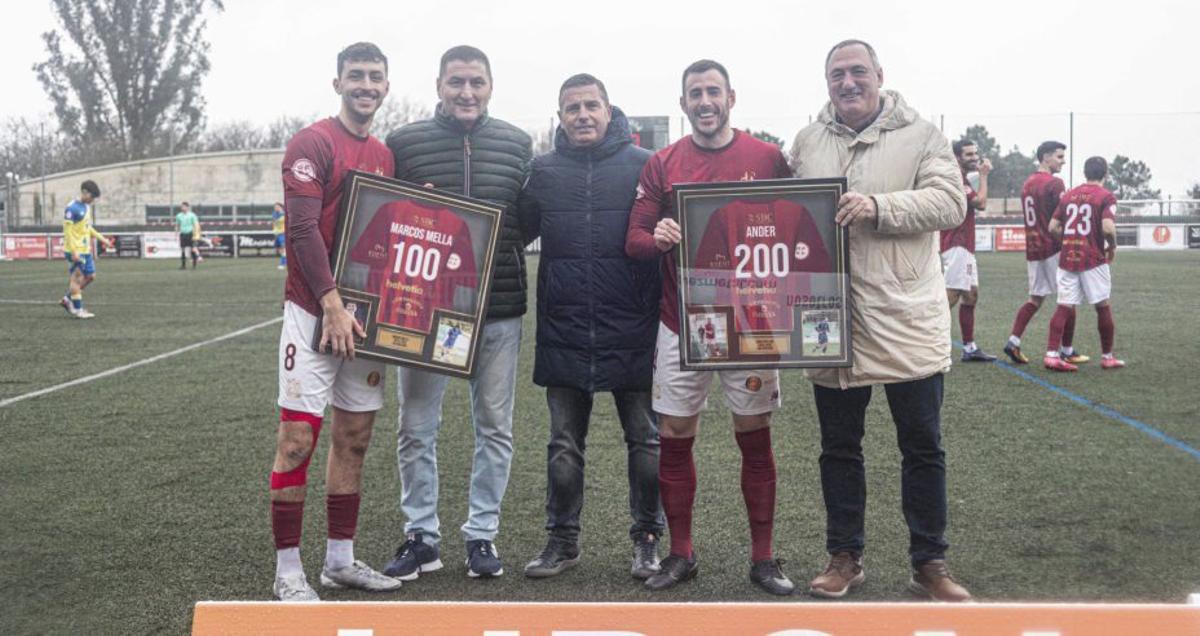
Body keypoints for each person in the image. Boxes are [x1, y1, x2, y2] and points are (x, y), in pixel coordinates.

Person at [789, 39, 973, 602]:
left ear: (879, 76)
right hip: (830, 318)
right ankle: (844, 556)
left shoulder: (921, 135)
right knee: (838, 447)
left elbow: (951, 203)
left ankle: (929, 561)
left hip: (905, 316)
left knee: (922, 445)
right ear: (827, 83)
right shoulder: (807, 141)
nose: (848, 82)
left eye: (857, 72)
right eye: (837, 74)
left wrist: (878, 206)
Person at [625, 59, 794, 596]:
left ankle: (763, 558)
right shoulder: (663, 162)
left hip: (750, 320)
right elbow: (633, 238)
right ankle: (680, 554)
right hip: (682, 322)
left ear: (731, 98)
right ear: (683, 104)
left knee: (753, 434)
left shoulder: (767, 158)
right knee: (674, 435)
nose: (704, 101)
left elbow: (796, 226)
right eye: (694, 93)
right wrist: (661, 236)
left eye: (713, 91)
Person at [383, 45, 532, 581]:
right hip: (423, 311)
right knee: (416, 426)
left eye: (476, 82)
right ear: (439, 85)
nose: (466, 92)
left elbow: (523, 221)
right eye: (456, 82)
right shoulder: (402, 143)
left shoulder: (518, 144)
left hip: (499, 309)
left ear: (490, 85)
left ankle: (482, 536)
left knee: (494, 426)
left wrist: (497, 257)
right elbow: (382, 218)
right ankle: (422, 534)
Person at [516, 73, 665, 580]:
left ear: (608, 109)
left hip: (634, 327)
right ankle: (562, 541)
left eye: (591, 105)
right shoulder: (542, 171)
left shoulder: (646, 167)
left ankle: (647, 539)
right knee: (562, 446)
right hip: (565, 327)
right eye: (572, 108)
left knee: (646, 442)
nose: (582, 115)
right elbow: (511, 229)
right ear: (560, 117)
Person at [267, 41, 402, 602]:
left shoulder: (384, 156)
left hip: (363, 319)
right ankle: (289, 571)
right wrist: (330, 303)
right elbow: (301, 233)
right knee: (297, 440)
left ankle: (340, 562)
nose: (365, 85)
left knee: (355, 437)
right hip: (314, 312)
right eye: (356, 75)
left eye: (375, 76)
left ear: (386, 86)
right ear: (338, 82)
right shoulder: (313, 142)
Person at [1003, 141, 1086, 365]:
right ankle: (1065, 350)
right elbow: (1063, 217)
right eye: (1059, 157)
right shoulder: (1055, 183)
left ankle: (1013, 341)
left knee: (1035, 299)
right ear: (1045, 157)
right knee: (1068, 299)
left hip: (1033, 248)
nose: (1063, 161)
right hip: (1053, 247)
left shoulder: (1028, 183)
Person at [1044, 156, 1124, 371]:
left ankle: (1051, 354)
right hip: (1093, 259)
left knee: (1064, 306)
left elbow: (1053, 226)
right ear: (1105, 174)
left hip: (1067, 257)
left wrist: (1069, 241)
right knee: (1102, 306)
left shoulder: (1069, 195)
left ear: (1085, 172)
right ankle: (1107, 357)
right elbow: (1108, 228)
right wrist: (1113, 246)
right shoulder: (1106, 196)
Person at [942, 140, 996, 362]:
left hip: (964, 244)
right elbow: (981, 203)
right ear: (956, 157)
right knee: (950, 296)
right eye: (969, 154)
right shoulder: (956, 178)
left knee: (971, 295)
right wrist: (984, 175)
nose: (975, 157)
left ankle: (969, 347)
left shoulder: (961, 177)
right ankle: (927, 342)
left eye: (976, 153)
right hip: (957, 244)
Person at [59, 180, 112, 319]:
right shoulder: (71, 208)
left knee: (90, 276)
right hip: (75, 251)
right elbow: (68, 232)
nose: (93, 200)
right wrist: (74, 251)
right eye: (92, 197)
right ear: (84, 192)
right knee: (77, 278)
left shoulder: (86, 207)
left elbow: (87, 228)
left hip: (85, 250)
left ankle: (67, 299)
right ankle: (78, 310)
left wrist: (103, 239)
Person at [174, 201, 200, 270]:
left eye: (184, 206)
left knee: (193, 250)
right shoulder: (178, 215)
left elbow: (196, 225)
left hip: (191, 234)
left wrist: (196, 234)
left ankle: (194, 265)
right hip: (183, 234)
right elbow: (177, 225)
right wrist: (176, 233)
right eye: (181, 206)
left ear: (187, 207)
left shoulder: (192, 215)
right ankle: (183, 265)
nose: (182, 208)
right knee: (182, 250)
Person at [272, 202, 287, 269]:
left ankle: (282, 264)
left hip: (283, 233)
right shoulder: (275, 214)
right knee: (280, 250)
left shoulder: (285, 214)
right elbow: (275, 221)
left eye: (277, 206)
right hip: (277, 234)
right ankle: (285, 262)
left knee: (284, 248)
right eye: (275, 207)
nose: (275, 208)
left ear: (281, 207)